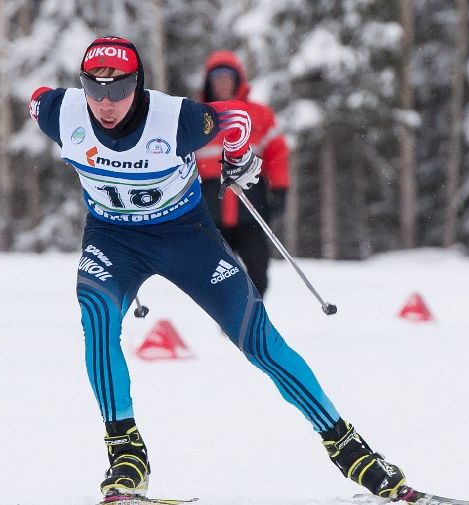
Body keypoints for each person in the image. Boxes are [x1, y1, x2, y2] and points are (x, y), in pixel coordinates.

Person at [29, 36, 407, 501]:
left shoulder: (176, 119)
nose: (106, 104)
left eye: (119, 90)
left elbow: (238, 117)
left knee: (258, 339)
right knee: (95, 315)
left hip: (187, 240)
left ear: (138, 84)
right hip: (113, 241)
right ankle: (125, 452)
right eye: (95, 88)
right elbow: (36, 99)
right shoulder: (58, 112)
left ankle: (349, 448)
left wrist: (237, 158)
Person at [195, 51, 290, 297]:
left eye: (228, 77)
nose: (222, 82)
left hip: (250, 205)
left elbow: (276, 154)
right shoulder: (197, 115)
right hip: (210, 208)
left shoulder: (260, 114)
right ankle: (230, 318)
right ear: (209, 81)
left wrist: (280, 191)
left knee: (258, 271)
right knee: (218, 273)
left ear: (238, 80)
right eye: (217, 77)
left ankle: (253, 315)